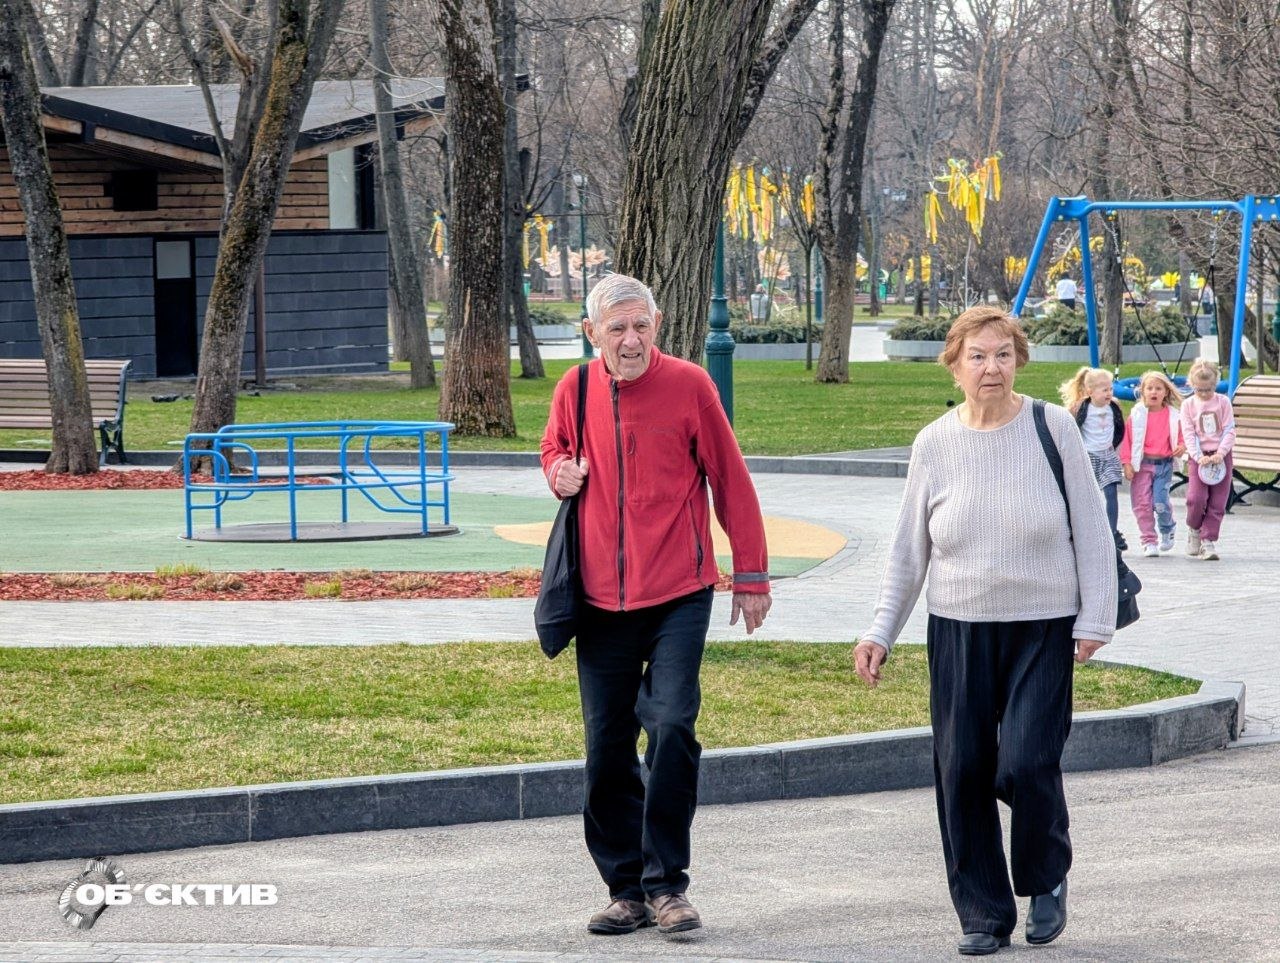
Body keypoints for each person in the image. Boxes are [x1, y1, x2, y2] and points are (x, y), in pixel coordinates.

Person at [852, 305, 1117, 957]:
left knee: (1027, 761)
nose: (991, 367)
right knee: (964, 768)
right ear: (954, 363)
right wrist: (880, 630)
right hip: (959, 631)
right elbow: (908, 552)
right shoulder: (934, 443)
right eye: (978, 355)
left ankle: (1045, 875)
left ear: (1018, 360)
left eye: (1002, 354)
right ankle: (983, 911)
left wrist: (1097, 617)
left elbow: (1093, 529)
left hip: (1042, 628)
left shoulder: (1052, 428)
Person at [539, 273, 772, 938]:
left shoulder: (691, 385)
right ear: (593, 334)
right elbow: (554, 446)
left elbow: (730, 478)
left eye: (642, 325)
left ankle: (668, 884)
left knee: (671, 723)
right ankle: (626, 888)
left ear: (658, 324)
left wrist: (751, 573)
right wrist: (557, 470)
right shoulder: (575, 388)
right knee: (606, 746)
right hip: (599, 601)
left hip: (679, 590)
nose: (632, 339)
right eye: (617, 328)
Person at [1060, 367, 1127, 550]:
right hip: (1089, 456)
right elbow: (1070, 430)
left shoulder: (1114, 406)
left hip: (1107, 454)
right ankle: (1083, 531)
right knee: (1087, 495)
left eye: (1110, 389)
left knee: (1111, 492)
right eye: (1104, 390)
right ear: (1090, 392)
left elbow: (1120, 428)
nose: (1109, 393)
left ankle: (1112, 533)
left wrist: (1115, 447)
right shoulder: (1081, 408)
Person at [1120, 371, 1185, 557]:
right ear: (1143, 392)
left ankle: (1167, 527)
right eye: (1149, 388)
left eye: (1158, 388)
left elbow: (1181, 436)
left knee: (1160, 502)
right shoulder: (1137, 415)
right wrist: (1126, 463)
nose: (1153, 392)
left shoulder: (1173, 416)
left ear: (1166, 392)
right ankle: (1149, 540)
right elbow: (1128, 440)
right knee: (1141, 505)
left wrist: (1182, 446)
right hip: (1142, 466)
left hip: (1163, 466)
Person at [1180, 358, 1235, 560]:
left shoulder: (1223, 402)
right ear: (1191, 385)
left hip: (1221, 456)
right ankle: (1194, 528)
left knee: (1218, 501)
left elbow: (1229, 429)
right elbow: (1188, 432)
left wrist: (1221, 452)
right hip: (1200, 457)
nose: (1204, 394)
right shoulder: (1188, 405)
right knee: (1196, 498)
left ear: (1215, 384)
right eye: (1199, 390)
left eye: (1208, 389)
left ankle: (1208, 540)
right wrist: (1197, 455)